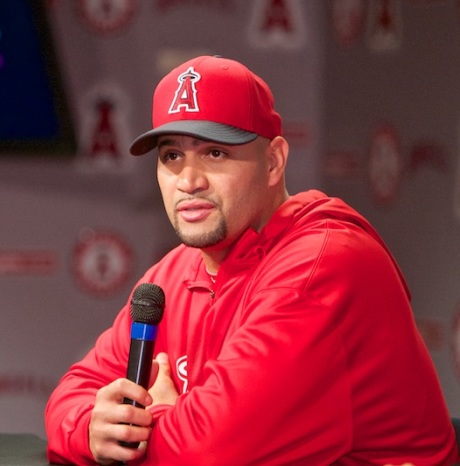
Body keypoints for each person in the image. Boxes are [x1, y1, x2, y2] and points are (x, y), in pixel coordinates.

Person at [44, 55, 459, 465]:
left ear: (274, 161)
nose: (188, 180)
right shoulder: (174, 273)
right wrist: (93, 429)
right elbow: (74, 392)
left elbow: (207, 454)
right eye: (172, 156)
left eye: (214, 154)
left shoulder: (324, 266)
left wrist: (151, 421)